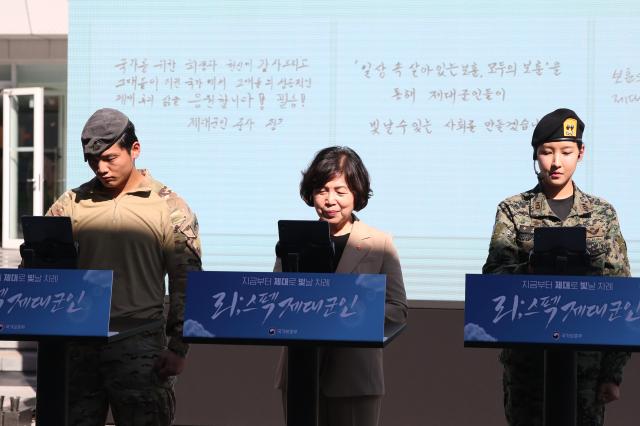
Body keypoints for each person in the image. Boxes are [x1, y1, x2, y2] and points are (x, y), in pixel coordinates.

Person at [47, 108, 202, 425]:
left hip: (140, 344)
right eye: (93, 161)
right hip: (79, 347)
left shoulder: (169, 207)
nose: (101, 169)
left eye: (109, 158)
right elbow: (40, 269)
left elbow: (188, 281)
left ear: (135, 149)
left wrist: (179, 348)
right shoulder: (71, 204)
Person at [482, 108, 631, 425]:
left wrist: (612, 373)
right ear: (535, 155)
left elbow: (621, 292)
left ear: (581, 153)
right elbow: (494, 275)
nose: (555, 162)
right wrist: (532, 270)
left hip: (586, 366)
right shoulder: (513, 209)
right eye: (546, 152)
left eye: (566, 152)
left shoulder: (602, 213)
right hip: (528, 365)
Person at [274, 146, 408, 426]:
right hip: (300, 376)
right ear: (310, 194)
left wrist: (351, 316)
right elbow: (276, 300)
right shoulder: (293, 241)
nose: (330, 200)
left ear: (357, 194)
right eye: (322, 190)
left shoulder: (380, 244)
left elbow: (397, 311)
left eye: (340, 191)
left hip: (355, 379)